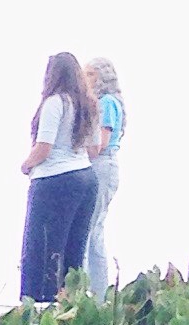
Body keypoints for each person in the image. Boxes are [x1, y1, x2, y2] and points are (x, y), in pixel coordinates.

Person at [19, 51, 98, 299]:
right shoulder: (89, 105)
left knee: (42, 250)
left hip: (54, 179)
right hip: (85, 177)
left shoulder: (55, 103)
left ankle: (39, 304)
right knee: (74, 248)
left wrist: (26, 165)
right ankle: (71, 301)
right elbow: (94, 149)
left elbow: (44, 147)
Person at [81, 55, 127, 292]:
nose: (84, 78)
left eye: (89, 74)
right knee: (93, 229)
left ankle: (94, 292)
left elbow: (101, 143)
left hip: (102, 164)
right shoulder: (105, 102)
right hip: (102, 166)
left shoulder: (107, 102)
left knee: (91, 230)